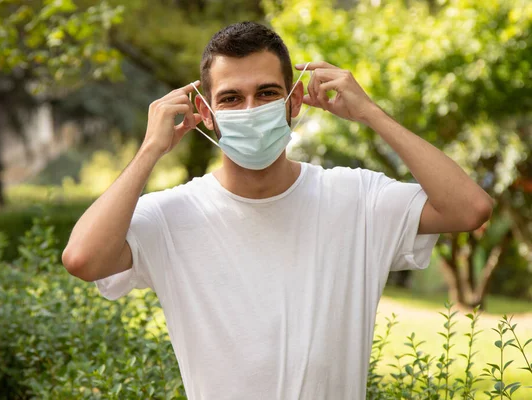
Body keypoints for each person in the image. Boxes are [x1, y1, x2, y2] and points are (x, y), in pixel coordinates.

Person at [62, 22, 493, 399]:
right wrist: (150, 151)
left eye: (266, 93)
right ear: (207, 115)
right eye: (230, 98)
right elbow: (83, 259)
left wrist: (370, 113)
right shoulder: (171, 216)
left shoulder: (357, 198)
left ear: (294, 103)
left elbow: (469, 208)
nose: (250, 110)